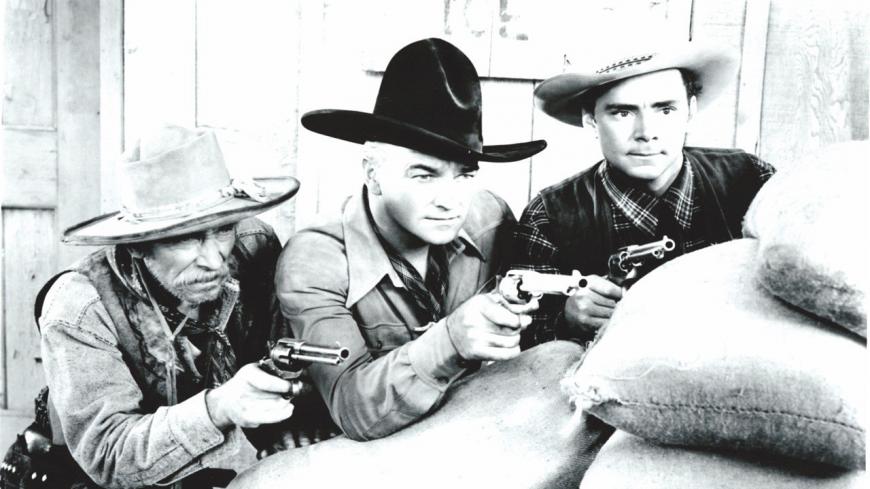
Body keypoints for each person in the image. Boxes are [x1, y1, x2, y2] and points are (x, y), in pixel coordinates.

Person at [276, 38, 547, 441]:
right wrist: (450, 340)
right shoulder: (314, 261)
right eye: (424, 175)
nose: (451, 201)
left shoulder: (490, 217)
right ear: (372, 174)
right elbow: (351, 409)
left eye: (464, 175)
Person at [37, 125, 300, 488]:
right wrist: (219, 407)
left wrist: (289, 427)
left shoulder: (253, 245)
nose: (215, 260)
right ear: (137, 245)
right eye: (185, 238)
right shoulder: (80, 307)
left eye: (223, 229)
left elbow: (273, 350)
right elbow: (109, 455)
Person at [512, 41, 775, 347]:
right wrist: (565, 321)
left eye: (665, 109)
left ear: (690, 111)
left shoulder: (753, 179)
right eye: (622, 112)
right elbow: (516, 334)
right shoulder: (548, 216)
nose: (647, 132)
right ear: (591, 119)